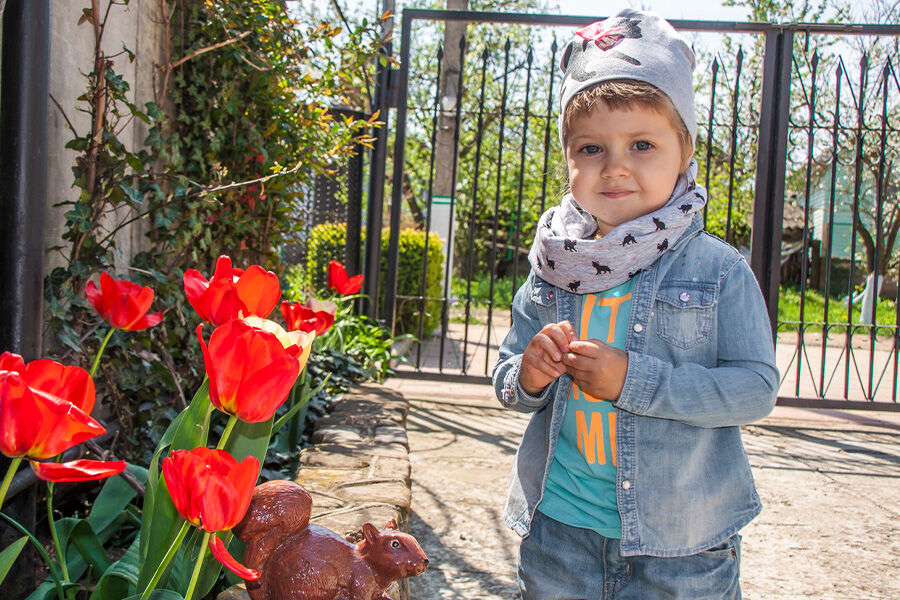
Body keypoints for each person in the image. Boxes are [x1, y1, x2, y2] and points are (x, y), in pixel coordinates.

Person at [492, 9, 779, 599]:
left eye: (642, 144)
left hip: (683, 545)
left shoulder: (717, 270)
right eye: (591, 147)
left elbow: (755, 388)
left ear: (685, 149)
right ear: (568, 157)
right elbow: (507, 379)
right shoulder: (551, 268)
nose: (615, 166)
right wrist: (529, 375)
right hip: (559, 531)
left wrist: (634, 380)